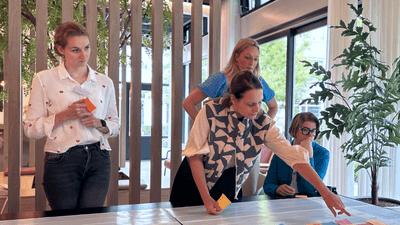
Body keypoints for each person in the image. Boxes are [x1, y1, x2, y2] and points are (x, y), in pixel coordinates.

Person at [170, 70, 350, 217]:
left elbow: (293, 156)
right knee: (186, 220)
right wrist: (206, 198)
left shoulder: (262, 122)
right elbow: (195, 157)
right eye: (250, 104)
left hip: (228, 185)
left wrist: (326, 193)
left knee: (222, 220)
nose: (257, 109)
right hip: (194, 182)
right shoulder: (210, 111)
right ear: (233, 99)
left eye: (259, 102)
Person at [23, 22, 120, 210]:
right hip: (61, 160)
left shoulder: (104, 82)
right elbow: (30, 129)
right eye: (75, 50)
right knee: (65, 220)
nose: (84, 55)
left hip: (99, 158)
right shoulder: (44, 80)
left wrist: (98, 123)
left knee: (91, 220)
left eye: (87, 48)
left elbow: (115, 125)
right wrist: (64, 115)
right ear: (60, 49)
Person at [182, 38, 278, 121]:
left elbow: (273, 107)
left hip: (246, 139)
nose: (252, 63)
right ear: (236, 57)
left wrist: (260, 130)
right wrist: (206, 126)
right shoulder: (219, 79)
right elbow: (188, 103)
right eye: (247, 57)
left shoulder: (258, 81)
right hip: (220, 138)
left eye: (256, 59)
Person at [263, 112, 329, 199]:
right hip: (282, 201)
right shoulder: (283, 150)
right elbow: (268, 185)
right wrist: (277, 189)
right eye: (305, 130)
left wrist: (309, 156)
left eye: (313, 131)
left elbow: (310, 189)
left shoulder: (323, 154)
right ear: (295, 130)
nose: (310, 135)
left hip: (308, 202)